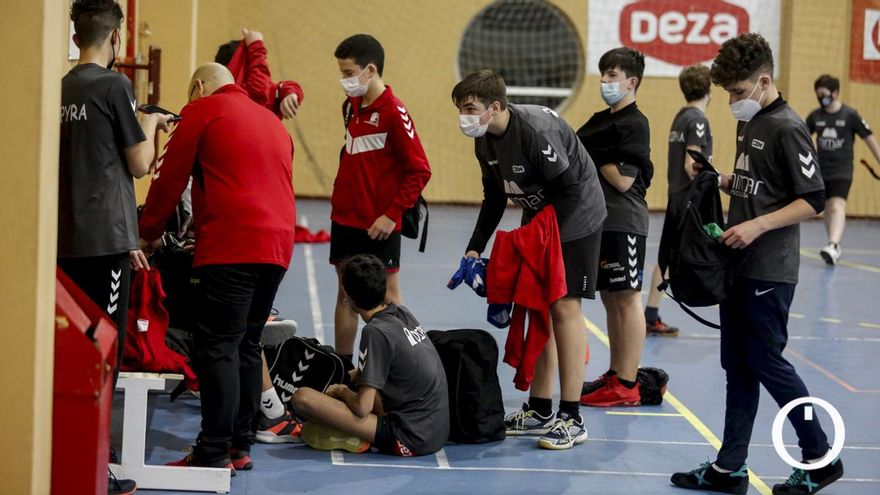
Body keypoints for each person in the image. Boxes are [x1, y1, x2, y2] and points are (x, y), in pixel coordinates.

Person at [671, 33, 842, 495]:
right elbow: (761, 186)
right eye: (727, 92)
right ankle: (730, 469)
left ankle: (820, 457)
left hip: (770, 268)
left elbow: (814, 200)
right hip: (739, 266)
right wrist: (720, 178)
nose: (732, 101)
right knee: (738, 367)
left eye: (738, 92)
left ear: (764, 81)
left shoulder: (787, 126)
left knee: (766, 361)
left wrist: (756, 226)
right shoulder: (754, 123)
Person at [138, 63, 296, 473]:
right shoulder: (272, 121)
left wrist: (146, 232)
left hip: (233, 247)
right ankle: (240, 446)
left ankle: (213, 452)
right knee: (246, 345)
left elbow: (168, 177)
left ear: (198, 87)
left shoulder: (202, 111)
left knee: (217, 348)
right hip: (277, 247)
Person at [452, 70, 606, 449]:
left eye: (470, 108)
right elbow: (493, 198)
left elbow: (570, 191)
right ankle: (539, 409)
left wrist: (534, 238)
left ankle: (572, 417)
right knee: (538, 305)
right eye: (459, 109)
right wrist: (475, 247)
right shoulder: (484, 142)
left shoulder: (536, 131)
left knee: (564, 307)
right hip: (540, 216)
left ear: (496, 107)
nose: (464, 116)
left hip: (576, 217)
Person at [60, 1, 172, 493]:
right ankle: (94, 464)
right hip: (104, 242)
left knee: (72, 350)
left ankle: (66, 450)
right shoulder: (114, 85)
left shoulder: (61, 86)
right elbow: (139, 164)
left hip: (64, 238)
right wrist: (149, 123)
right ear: (117, 36)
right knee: (105, 353)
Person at [214, 27, 305, 444]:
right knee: (244, 340)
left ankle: (234, 435)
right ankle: (255, 423)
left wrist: (288, 84)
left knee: (235, 340)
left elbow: (267, 86)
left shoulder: (228, 110)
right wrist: (259, 48)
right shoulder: (250, 109)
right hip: (271, 241)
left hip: (243, 242)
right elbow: (264, 87)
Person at [330, 34, 431, 358]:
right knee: (346, 295)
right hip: (345, 218)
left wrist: (392, 214)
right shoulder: (350, 107)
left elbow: (419, 170)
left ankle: (412, 362)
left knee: (388, 296)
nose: (344, 80)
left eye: (348, 73)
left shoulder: (394, 112)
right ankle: (343, 368)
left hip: (380, 224)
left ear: (370, 70)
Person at [291, 254, 449, 457]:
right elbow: (381, 370)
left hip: (410, 438)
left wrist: (340, 390)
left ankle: (351, 435)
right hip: (436, 429)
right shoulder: (401, 313)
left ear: (347, 296)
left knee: (302, 398)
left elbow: (362, 407)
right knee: (354, 381)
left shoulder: (374, 332)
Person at [576, 47, 653, 407]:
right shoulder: (599, 121)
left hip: (626, 220)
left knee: (627, 298)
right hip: (599, 221)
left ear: (631, 82)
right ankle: (615, 371)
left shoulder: (635, 123)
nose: (605, 81)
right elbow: (575, 146)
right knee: (610, 300)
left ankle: (628, 382)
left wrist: (597, 155)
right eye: (603, 74)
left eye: (612, 75)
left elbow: (623, 180)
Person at [645, 64, 714, 337]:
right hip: (690, 198)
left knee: (668, 257)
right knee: (708, 253)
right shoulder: (697, 119)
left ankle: (651, 313)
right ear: (709, 89)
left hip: (677, 195)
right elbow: (691, 163)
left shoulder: (680, 117)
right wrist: (714, 176)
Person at [806, 74, 880, 266]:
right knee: (828, 209)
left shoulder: (850, 115)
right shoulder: (815, 116)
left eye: (825, 94)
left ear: (836, 92)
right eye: (818, 95)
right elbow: (802, 140)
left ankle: (833, 243)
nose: (822, 98)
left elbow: (869, 139)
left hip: (842, 169)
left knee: (837, 205)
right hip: (820, 170)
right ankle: (834, 246)